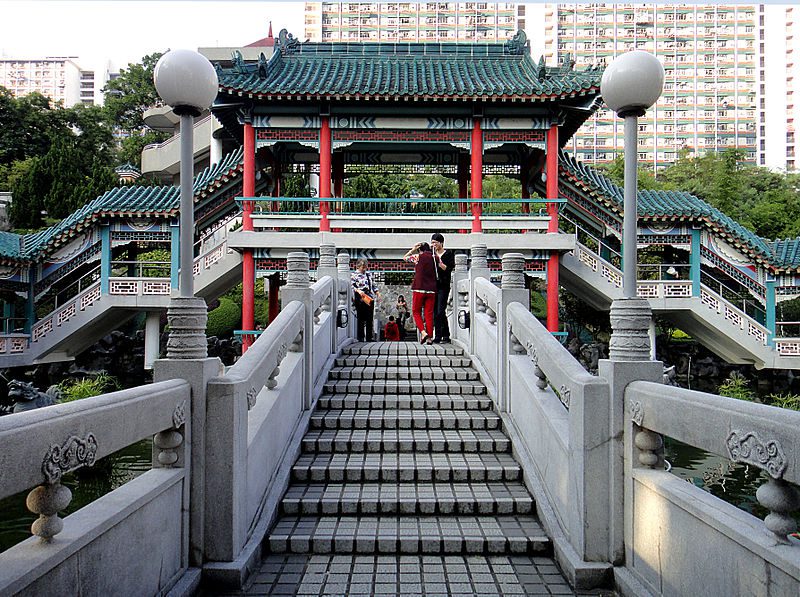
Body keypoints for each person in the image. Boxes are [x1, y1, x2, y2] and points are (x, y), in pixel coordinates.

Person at [404, 241, 437, 344]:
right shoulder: (435, 258)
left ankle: (423, 332)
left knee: (416, 312)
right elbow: (440, 266)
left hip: (419, 288)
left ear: (420, 250)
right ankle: (430, 338)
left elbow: (405, 258)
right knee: (429, 314)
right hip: (431, 289)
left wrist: (413, 249)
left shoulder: (417, 257)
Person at [430, 232, 455, 343]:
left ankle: (439, 336)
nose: (433, 245)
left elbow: (448, 269)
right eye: (432, 243)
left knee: (440, 310)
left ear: (441, 243)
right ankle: (444, 335)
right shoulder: (431, 255)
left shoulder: (448, 254)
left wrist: (440, 263)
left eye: (435, 242)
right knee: (436, 312)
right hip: (433, 286)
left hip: (443, 286)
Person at [351, 257, 379, 342]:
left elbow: (373, 285)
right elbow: (351, 286)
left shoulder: (369, 274)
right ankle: (361, 337)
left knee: (369, 318)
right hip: (360, 298)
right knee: (361, 318)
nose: (364, 268)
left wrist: (377, 292)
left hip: (369, 297)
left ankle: (369, 337)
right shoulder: (354, 275)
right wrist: (358, 291)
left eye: (365, 266)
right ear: (358, 266)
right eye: (362, 267)